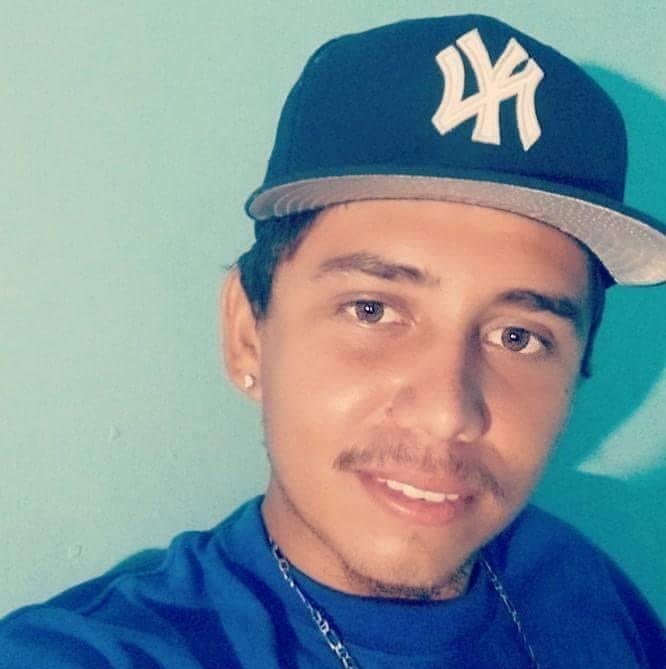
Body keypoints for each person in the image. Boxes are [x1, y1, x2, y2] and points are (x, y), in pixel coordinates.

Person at [1, 13, 664, 669]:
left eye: (517, 336)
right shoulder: (93, 653)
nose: (446, 412)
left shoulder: (578, 585)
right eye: (372, 310)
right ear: (247, 333)